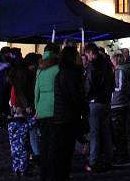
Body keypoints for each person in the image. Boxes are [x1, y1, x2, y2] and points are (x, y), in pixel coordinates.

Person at [52, 46, 85, 180]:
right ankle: (63, 175)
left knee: (63, 148)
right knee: (66, 149)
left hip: (60, 114)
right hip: (68, 115)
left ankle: (62, 174)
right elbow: (74, 95)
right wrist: (83, 108)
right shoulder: (71, 73)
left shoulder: (61, 72)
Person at [83, 42, 115, 173]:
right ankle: (108, 159)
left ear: (91, 53)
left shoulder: (92, 66)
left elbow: (89, 85)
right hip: (106, 101)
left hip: (95, 102)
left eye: (87, 54)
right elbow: (113, 83)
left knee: (95, 134)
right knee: (106, 132)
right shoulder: (107, 63)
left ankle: (93, 161)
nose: (87, 57)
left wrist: (86, 97)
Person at [34, 43, 60, 181]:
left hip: (42, 109)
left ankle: (44, 172)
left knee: (44, 142)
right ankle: (53, 171)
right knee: (54, 143)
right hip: (54, 108)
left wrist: (36, 108)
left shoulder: (40, 69)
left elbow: (36, 91)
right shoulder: (57, 68)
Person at [110, 53, 130, 167]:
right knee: (121, 131)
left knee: (118, 132)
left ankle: (121, 156)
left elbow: (120, 86)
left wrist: (110, 91)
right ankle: (122, 154)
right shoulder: (125, 69)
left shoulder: (119, 71)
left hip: (117, 103)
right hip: (122, 103)